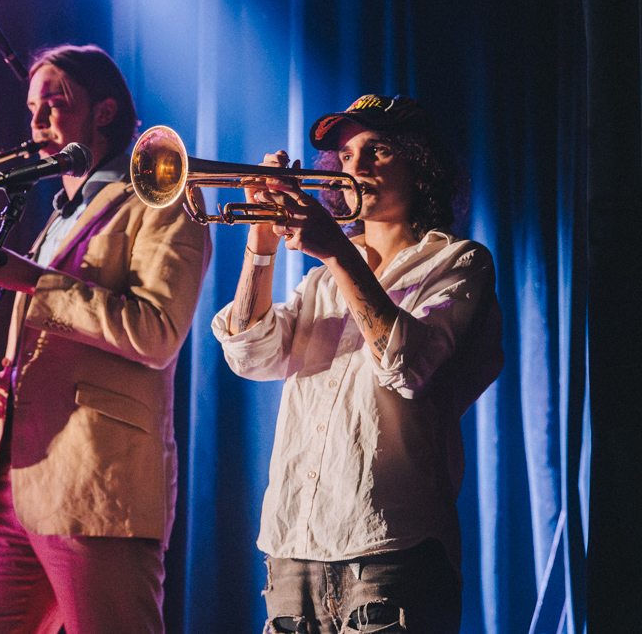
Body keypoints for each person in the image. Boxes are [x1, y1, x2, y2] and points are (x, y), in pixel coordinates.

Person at [212, 95, 504, 634]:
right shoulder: (321, 282)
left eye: (378, 150)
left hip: (394, 550)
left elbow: (407, 367)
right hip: (293, 548)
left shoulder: (459, 262)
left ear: (420, 166)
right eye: (346, 156)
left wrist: (337, 251)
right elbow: (250, 354)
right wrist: (261, 241)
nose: (355, 167)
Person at [0, 44, 211, 633]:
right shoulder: (56, 217)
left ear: (104, 111)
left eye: (54, 102)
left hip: (97, 485)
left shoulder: (161, 194)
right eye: (31, 108)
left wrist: (33, 280)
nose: (37, 121)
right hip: (10, 479)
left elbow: (157, 332)